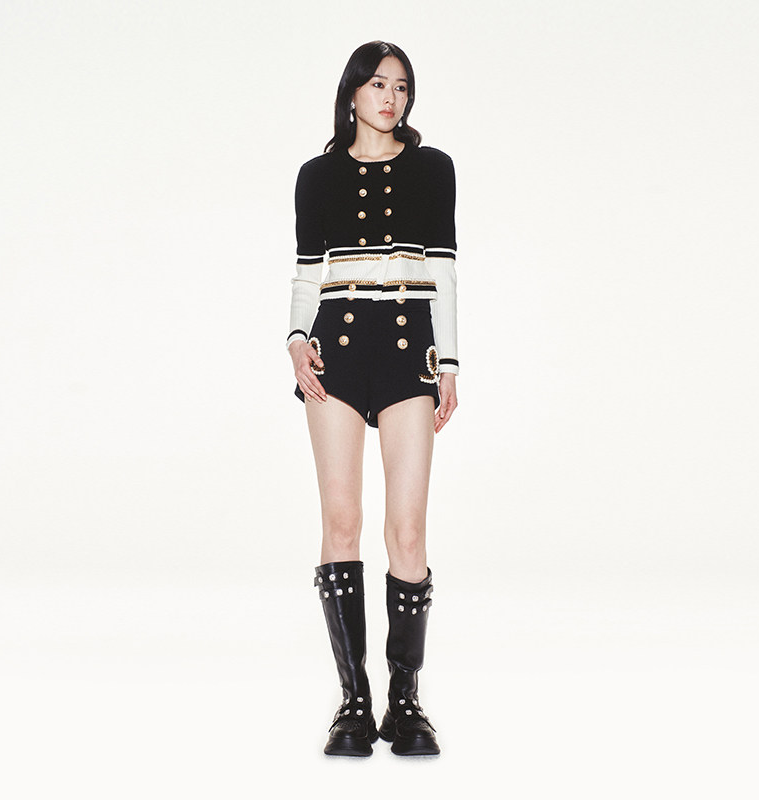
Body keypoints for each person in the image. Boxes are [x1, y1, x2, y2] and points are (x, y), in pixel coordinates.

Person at [286, 40, 459, 757]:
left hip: (406, 346)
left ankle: (406, 701)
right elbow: (307, 272)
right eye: (378, 84)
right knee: (341, 520)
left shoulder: (433, 169)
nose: (391, 98)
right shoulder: (316, 175)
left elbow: (444, 271)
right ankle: (353, 703)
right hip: (337, 346)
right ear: (353, 92)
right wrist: (295, 339)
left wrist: (449, 363)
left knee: (408, 529)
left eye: (402, 86)